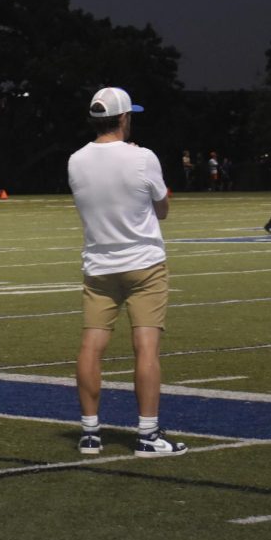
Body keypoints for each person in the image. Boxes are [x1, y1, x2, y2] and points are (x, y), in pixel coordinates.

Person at [69, 87, 185, 457]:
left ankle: (89, 433)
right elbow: (163, 209)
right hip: (144, 265)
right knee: (146, 347)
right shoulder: (143, 158)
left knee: (92, 344)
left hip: (99, 265)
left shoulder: (76, 160)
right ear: (122, 118)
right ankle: (148, 435)